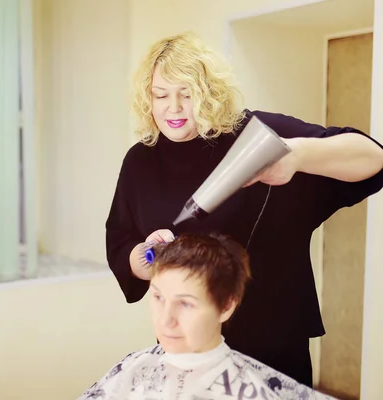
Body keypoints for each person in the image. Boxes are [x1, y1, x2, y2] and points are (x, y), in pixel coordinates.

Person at [105, 31, 383, 387]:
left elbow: (372, 157)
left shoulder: (257, 138)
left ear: (208, 93)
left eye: (186, 94)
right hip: (189, 344)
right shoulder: (140, 161)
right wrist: (147, 256)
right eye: (161, 95)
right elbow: (121, 241)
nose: (172, 107)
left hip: (274, 339)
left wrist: (296, 156)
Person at [80, 233, 336, 400]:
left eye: (186, 304)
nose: (165, 320)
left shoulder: (252, 390)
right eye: (158, 298)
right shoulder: (134, 366)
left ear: (226, 306)